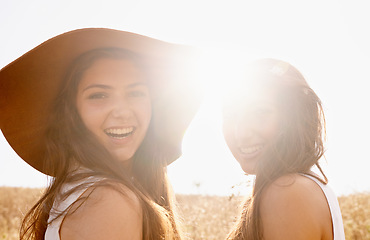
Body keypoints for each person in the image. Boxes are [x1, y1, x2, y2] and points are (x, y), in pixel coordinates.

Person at [0, 28, 202, 240]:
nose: (122, 111)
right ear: (71, 111)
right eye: (99, 95)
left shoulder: (78, 192)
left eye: (135, 93)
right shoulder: (109, 200)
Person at [222, 58, 345, 240]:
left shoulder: (287, 191)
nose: (241, 133)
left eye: (260, 113)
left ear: (293, 117)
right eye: (231, 116)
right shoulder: (302, 186)